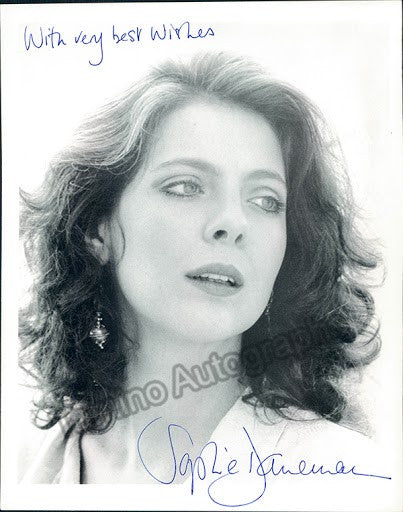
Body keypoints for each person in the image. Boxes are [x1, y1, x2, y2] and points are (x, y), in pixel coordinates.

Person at [18, 51, 386, 503]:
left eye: (266, 200)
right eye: (185, 187)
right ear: (97, 229)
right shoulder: (26, 467)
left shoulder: (349, 482)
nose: (233, 222)